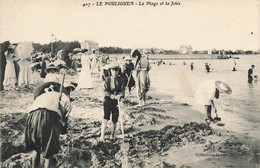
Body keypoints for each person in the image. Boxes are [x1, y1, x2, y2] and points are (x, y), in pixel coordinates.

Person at [25, 82, 72, 168]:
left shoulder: (41, 96)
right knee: (49, 151)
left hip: (32, 117)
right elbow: (64, 119)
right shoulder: (63, 96)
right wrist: (63, 131)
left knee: (36, 148)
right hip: (48, 116)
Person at [100, 62, 125, 141]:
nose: (114, 72)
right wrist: (112, 96)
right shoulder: (107, 79)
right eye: (113, 71)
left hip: (116, 102)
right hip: (108, 101)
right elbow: (105, 91)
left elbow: (122, 90)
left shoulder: (121, 79)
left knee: (115, 119)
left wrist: (121, 97)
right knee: (106, 117)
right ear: (110, 71)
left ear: (118, 71)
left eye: (116, 70)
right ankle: (102, 136)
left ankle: (112, 135)